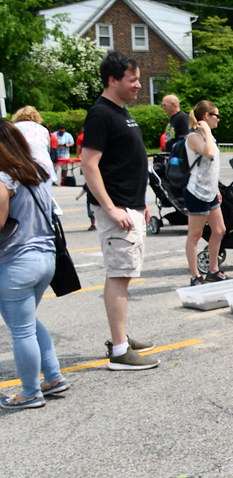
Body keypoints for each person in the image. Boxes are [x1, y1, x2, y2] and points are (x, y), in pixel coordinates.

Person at [80, 51, 158, 371]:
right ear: (112, 80)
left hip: (132, 206)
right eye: (133, 79)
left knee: (123, 276)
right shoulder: (101, 113)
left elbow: (126, 162)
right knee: (119, 276)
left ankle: (121, 336)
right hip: (118, 211)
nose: (139, 85)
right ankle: (120, 351)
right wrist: (111, 208)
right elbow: (89, 164)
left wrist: (142, 203)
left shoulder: (121, 111)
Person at [0, 121, 67, 410]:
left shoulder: (5, 178)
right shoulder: (36, 173)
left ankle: (29, 392)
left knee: (21, 329)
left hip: (17, 261)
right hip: (46, 259)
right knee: (26, 323)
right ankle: (52, 377)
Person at [184, 101, 228, 286]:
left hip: (210, 191)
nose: (219, 119)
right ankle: (195, 276)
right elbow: (209, 154)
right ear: (207, 117)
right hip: (196, 192)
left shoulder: (208, 136)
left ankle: (213, 270)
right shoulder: (195, 137)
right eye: (216, 115)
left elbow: (211, 166)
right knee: (195, 234)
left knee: (219, 230)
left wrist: (216, 187)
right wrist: (207, 133)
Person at [11, 106, 56, 183]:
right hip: (45, 166)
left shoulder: (14, 127)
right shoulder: (43, 129)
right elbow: (48, 149)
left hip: (24, 165)